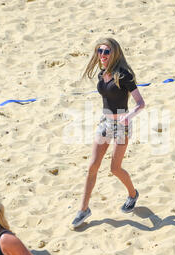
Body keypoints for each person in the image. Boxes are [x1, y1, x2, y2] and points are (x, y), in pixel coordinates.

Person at [71, 38, 146, 228]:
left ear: (115, 53)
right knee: (92, 166)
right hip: (105, 122)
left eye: (106, 52)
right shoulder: (101, 74)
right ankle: (83, 209)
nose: (102, 55)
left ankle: (132, 194)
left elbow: (140, 103)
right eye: (100, 51)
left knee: (115, 169)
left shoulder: (124, 76)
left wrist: (128, 116)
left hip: (122, 123)